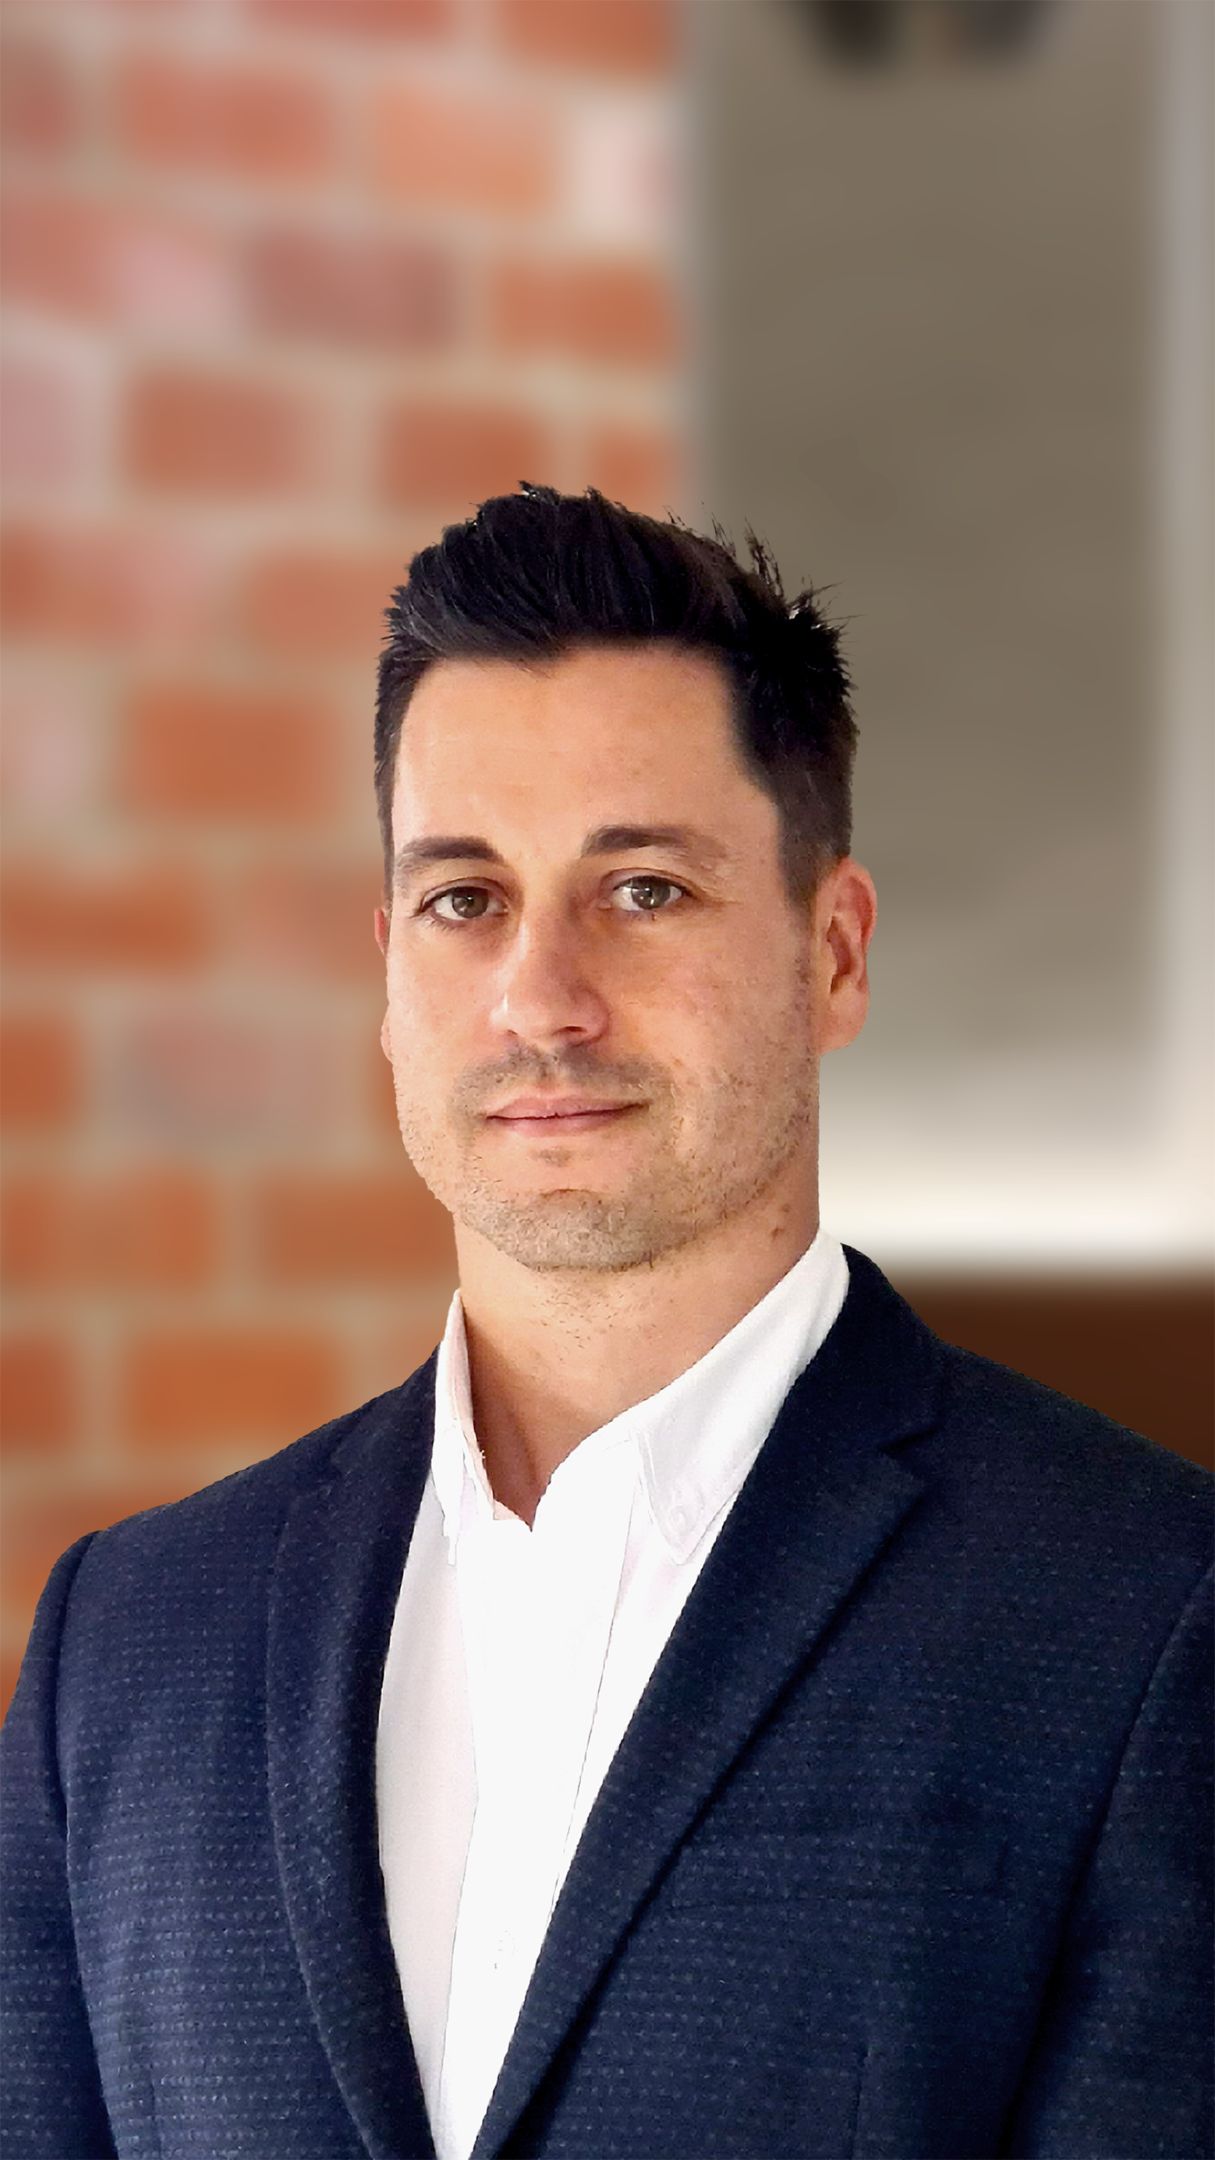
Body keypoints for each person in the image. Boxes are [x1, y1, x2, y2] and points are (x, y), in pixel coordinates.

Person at [1, 484, 1210, 2160]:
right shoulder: (125, 1647)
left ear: (835, 950)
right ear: (386, 970)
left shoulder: (1146, 1619)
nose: (541, 1001)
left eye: (642, 890)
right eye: (464, 899)